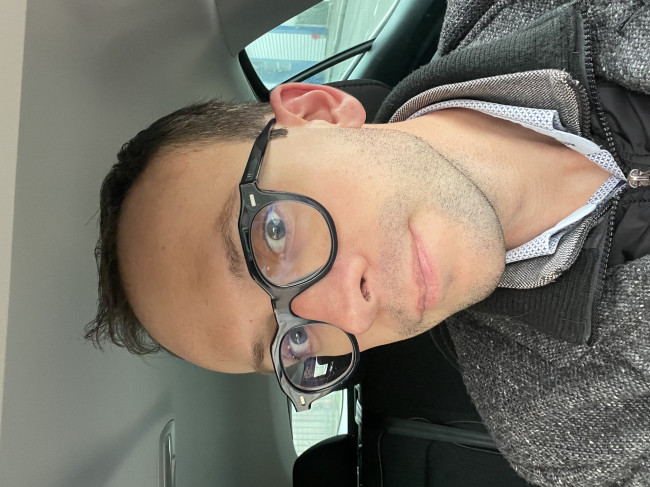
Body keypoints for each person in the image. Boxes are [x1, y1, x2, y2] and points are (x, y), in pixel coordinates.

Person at [88, 1, 650, 485]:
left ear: (318, 112)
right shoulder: (564, 431)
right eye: (296, 342)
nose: (350, 312)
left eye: (275, 234)